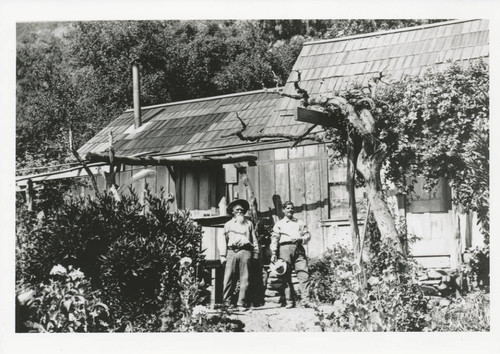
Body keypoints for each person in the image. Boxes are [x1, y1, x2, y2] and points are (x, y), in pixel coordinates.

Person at [219, 199, 259, 311]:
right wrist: (222, 256)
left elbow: (254, 240)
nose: (240, 211)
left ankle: (241, 303)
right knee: (228, 278)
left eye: (242, 210)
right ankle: (227, 302)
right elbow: (223, 241)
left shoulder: (249, 224)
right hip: (231, 252)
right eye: (237, 209)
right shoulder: (228, 225)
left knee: (244, 278)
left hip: (245, 251)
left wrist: (255, 253)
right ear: (232, 211)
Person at [270, 201, 312, 308]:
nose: (290, 210)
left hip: (298, 248)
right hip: (284, 249)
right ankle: (289, 301)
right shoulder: (279, 224)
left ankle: (305, 300)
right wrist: (274, 252)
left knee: (304, 273)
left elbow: (307, 235)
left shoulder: (299, 222)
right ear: (283, 210)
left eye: (292, 208)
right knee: (285, 275)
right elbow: (274, 238)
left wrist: (301, 238)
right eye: (288, 208)